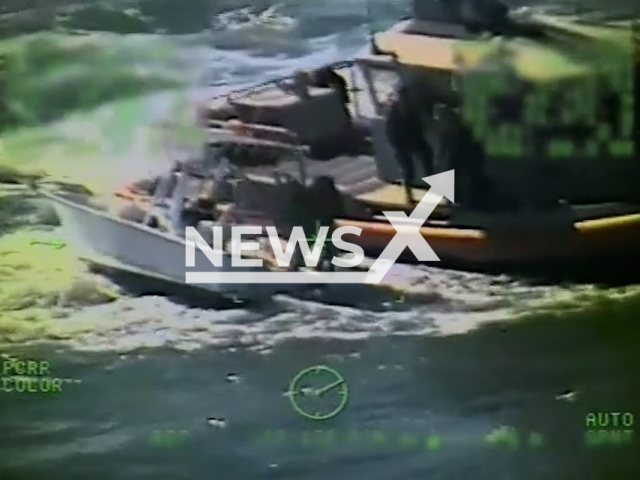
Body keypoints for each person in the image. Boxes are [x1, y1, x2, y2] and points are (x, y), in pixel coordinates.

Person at [385, 86, 434, 204]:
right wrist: (398, 147)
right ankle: (409, 195)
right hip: (401, 143)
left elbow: (419, 124)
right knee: (408, 170)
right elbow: (391, 133)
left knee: (428, 157)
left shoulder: (412, 108)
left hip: (414, 139)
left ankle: (431, 186)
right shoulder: (394, 115)